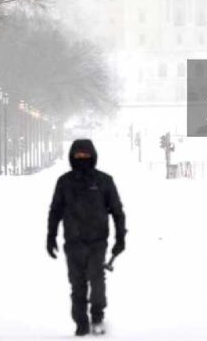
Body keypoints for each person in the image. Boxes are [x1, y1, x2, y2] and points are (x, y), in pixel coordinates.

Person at [47, 138, 127, 336]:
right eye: (78, 155)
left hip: (97, 242)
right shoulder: (64, 182)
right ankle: (81, 323)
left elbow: (117, 210)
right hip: (73, 243)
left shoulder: (104, 181)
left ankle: (97, 315)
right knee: (77, 285)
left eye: (85, 155)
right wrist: (51, 236)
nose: (82, 158)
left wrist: (120, 238)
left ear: (93, 156)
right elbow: (55, 210)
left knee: (97, 280)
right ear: (72, 157)